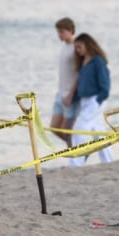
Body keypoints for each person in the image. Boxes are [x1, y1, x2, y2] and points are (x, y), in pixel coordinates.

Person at [69, 33, 113, 167]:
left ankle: (76, 163)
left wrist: (98, 100)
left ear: (88, 45)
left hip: (95, 100)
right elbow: (83, 86)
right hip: (85, 101)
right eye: (76, 48)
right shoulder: (83, 63)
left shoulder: (98, 61)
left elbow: (105, 84)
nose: (78, 50)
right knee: (98, 133)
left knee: (79, 129)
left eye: (80, 46)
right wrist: (72, 98)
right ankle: (109, 162)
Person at [51, 18, 79, 146]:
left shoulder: (76, 48)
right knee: (54, 127)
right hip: (60, 93)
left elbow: (79, 73)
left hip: (70, 95)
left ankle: (75, 157)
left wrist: (71, 94)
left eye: (62, 32)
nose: (59, 35)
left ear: (70, 31)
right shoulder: (64, 47)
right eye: (58, 32)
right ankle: (78, 150)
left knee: (67, 130)